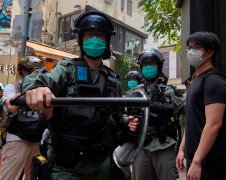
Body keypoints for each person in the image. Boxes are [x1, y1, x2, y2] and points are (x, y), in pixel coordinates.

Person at [21, 10, 139, 180]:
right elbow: (42, 81)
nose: (95, 39)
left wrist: (126, 119)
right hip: (68, 165)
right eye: (90, 35)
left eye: (100, 35)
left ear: (107, 42)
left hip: (102, 162)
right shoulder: (67, 69)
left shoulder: (113, 79)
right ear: (81, 40)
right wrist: (37, 88)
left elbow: (116, 113)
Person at [176, 31, 226, 180]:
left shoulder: (214, 81)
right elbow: (192, 119)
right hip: (196, 156)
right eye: (189, 47)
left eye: (197, 47)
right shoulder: (195, 80)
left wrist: (197, 161)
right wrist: (182, 149)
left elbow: (214, 124)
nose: (191, 51)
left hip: (211, 160)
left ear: (210, 52)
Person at [131, 48, 185, 180]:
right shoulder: (135, 92)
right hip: (140, 147)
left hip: (164, 146)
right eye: (145, 65)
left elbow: (186, 116)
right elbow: (126, 115)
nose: (148, 67)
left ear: (159, 66)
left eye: (152, 64)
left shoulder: (170, 91)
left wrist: (183, 149)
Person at [0, 56, 45, 180]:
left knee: (34, 176)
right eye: (34, 71)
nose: (38, 75)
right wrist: (28, 87)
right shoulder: (12, 88)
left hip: (36, 140)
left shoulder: (41, 89)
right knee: (9, 177)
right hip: (17, 139)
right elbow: (12, 107)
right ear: (24, 71)